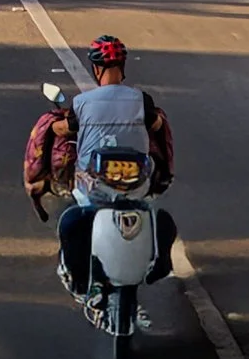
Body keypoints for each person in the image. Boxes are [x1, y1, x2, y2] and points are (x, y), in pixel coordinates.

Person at [54, 35, 177, 297]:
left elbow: (65, 128)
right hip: (136, 184)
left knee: (71, 220)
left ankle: (76, 277)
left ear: (95, 69)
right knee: (156, 216)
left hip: (95, 186)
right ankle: (158, 260)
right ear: (123, 66)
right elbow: (156, 126)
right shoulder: (141, 100)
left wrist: (51, 125)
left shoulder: (81, 103)